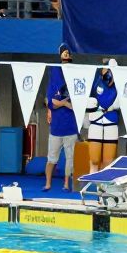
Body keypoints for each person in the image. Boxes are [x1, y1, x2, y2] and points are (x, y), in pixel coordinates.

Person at [44, 44, 77, 192]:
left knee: (70, 158)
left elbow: (77, 102)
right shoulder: (54, 74)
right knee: (52, 158)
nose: (66, 55)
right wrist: (65, 103)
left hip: (71, 126)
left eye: (68, 53)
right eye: (63, 53)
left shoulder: (76, 75)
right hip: (56, 127)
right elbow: (51, 102)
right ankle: (48, 183)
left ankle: (66, 183)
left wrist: (61, 103)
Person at [86, 62, 120, 173]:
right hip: (96, 120)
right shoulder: (95, 81)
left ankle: (105, 182)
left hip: (111, 120)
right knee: (94, 159)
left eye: (111, 69)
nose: (109, 72)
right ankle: (93, 181)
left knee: (108, 161)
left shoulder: (119, 84)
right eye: (107, 69)